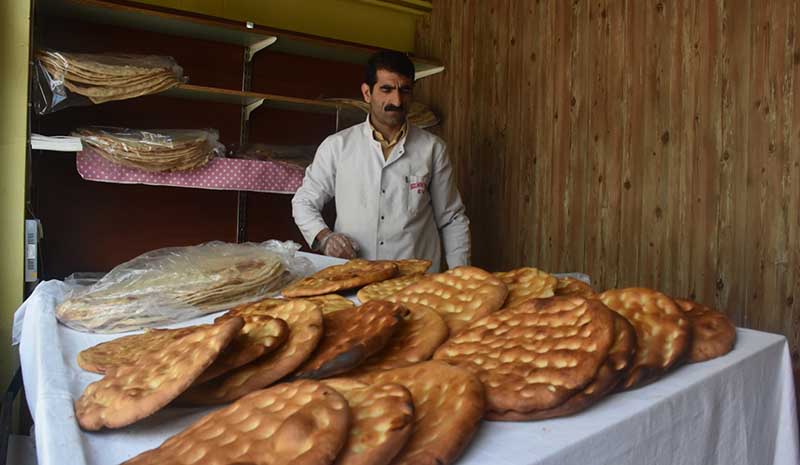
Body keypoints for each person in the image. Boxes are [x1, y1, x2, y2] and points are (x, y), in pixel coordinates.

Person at [291, 50, 471, 272]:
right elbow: (304, 201)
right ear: (367, 93)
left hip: (415, 281)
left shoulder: (432, 149)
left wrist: (460, 275)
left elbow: (451, 218)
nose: (396, 100)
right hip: (353, 274)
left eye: (404, 90)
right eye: (386, 89)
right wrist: (325, 237)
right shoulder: (338, 146)